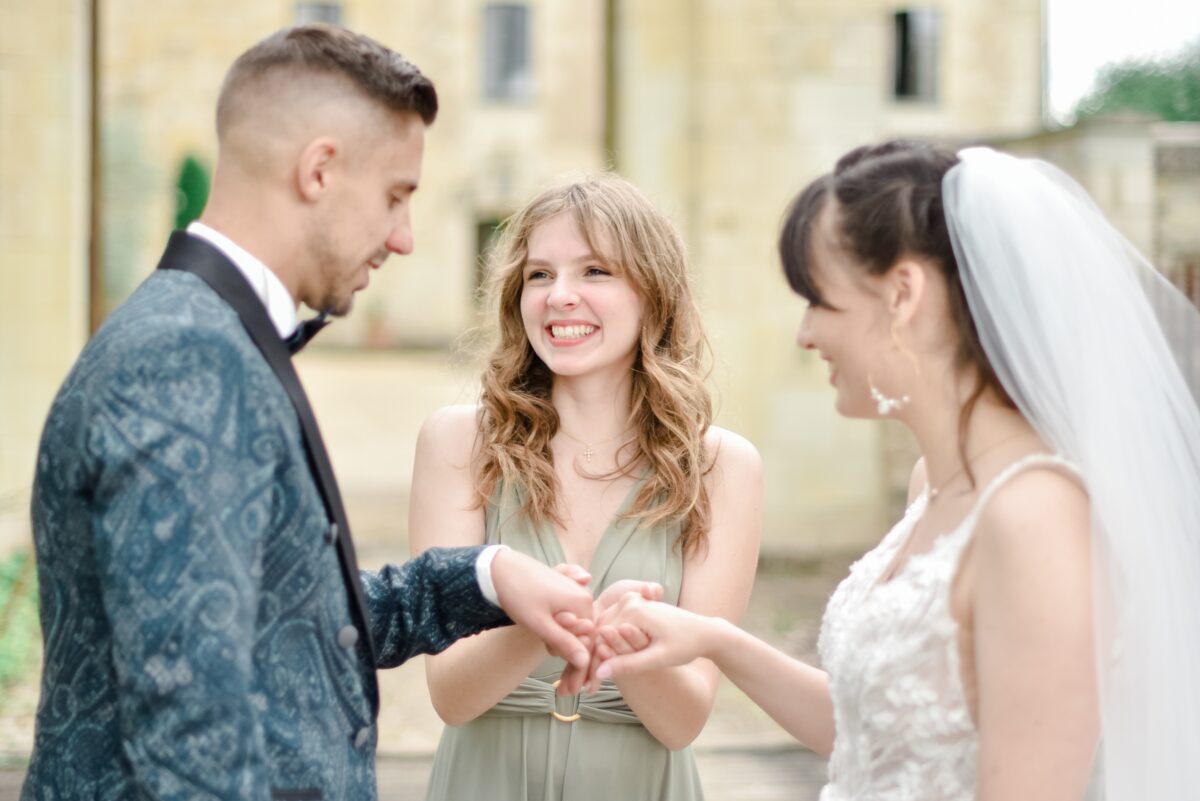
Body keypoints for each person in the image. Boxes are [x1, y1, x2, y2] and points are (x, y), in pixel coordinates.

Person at [22, 25, 603, 801]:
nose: (403, 238)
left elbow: (285, 621)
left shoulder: (209, 335)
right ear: (319, 171)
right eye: (396, 196)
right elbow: (191, 731)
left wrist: (486, 576)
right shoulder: (184, 359)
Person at [589, 141, 1200, 800]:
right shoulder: (932, 486)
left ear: (902, 293)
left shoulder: (1036, 515)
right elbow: (877, 736)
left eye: (819, 299)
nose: (805, 333)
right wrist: (715, 640)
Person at [409, 174, 762, 801]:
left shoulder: (721, 468)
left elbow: (682, 720)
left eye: (595, 271)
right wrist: (549, 626)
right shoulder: (457, 446)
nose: (560, 297)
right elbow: (451, 696)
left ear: (653, 292)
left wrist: (610, 640)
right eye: (539, 275)